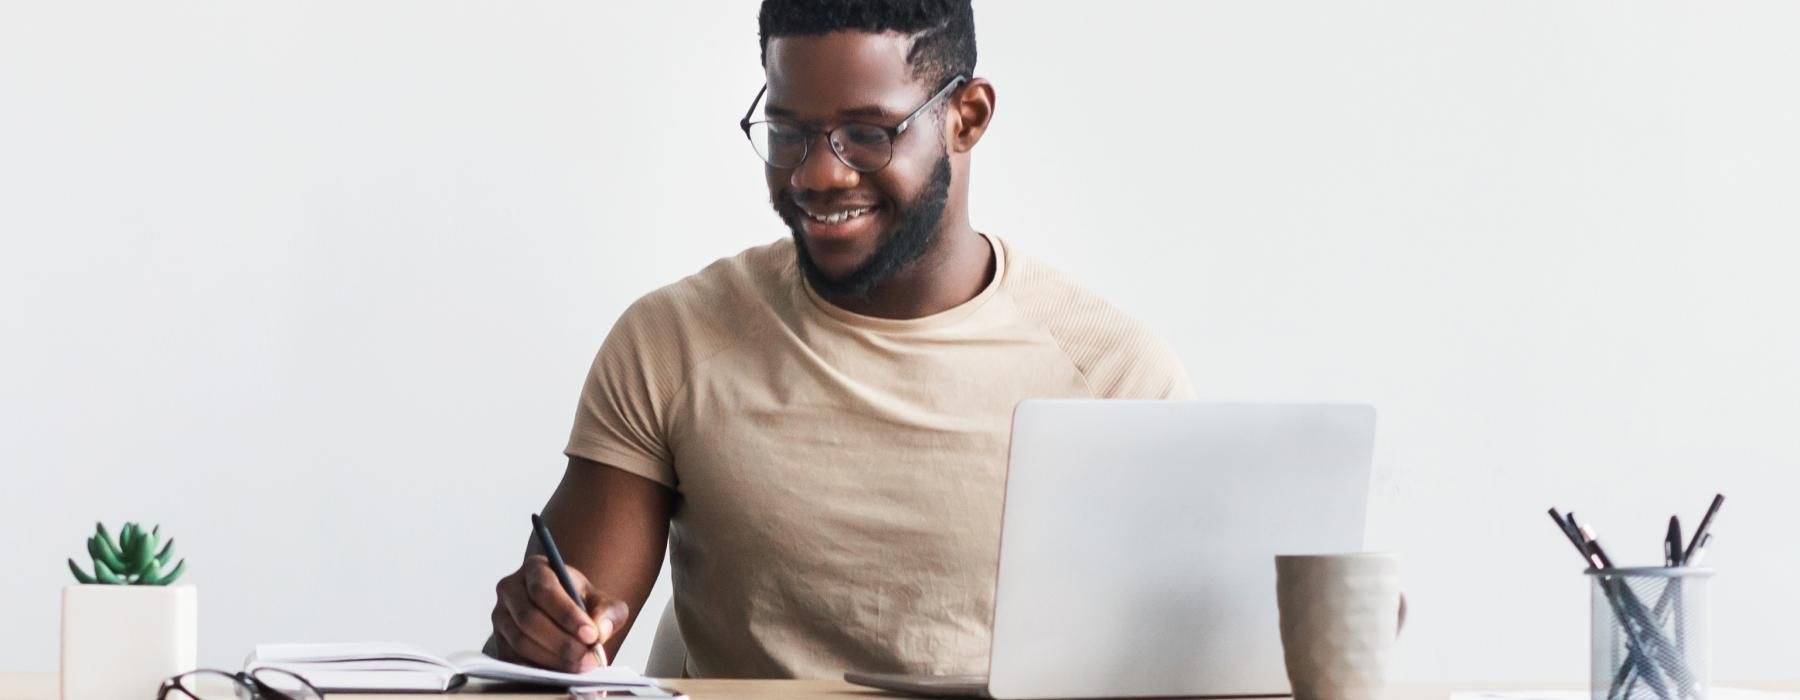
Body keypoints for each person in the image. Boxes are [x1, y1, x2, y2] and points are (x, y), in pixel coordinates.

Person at [486, 0, 1193, 679]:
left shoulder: (1113, 378)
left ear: (966, 118)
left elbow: (1192, 663)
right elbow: (544, 664)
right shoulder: (673, 342)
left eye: (868, 133)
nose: (819, 174)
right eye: (789, 131)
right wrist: (539, 632)